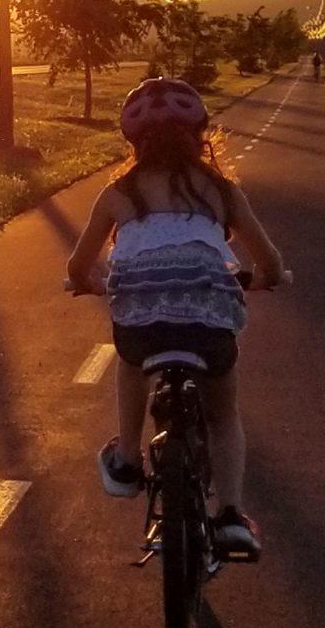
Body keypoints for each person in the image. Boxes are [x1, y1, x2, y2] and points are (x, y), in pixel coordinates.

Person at [65, 77, 287, 555]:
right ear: (200, 135)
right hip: (208, 319)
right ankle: (230, 516)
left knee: (129, 361)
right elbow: (266, 260)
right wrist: (270, 276)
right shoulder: (222, 191)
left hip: (142, 325)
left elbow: (78, 266)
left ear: (133, 142)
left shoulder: (117, 193)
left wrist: (87, 282)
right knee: (223, 414)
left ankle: (127, 456)